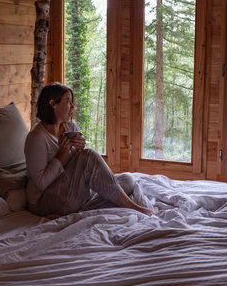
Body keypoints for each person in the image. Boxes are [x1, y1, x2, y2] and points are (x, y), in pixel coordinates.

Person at [24, 83, 155, 218]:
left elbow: (82, 167)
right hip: (44, 201)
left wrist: (79, 148)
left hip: (69, 191)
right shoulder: (37, 138)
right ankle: (135, 207)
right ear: (53, 104)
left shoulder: (70, 126)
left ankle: (79, 209)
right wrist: (61, 156)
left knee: (127, 181)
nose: (72, 107)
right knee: (89, 155)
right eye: (68, 102)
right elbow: (41, 183)